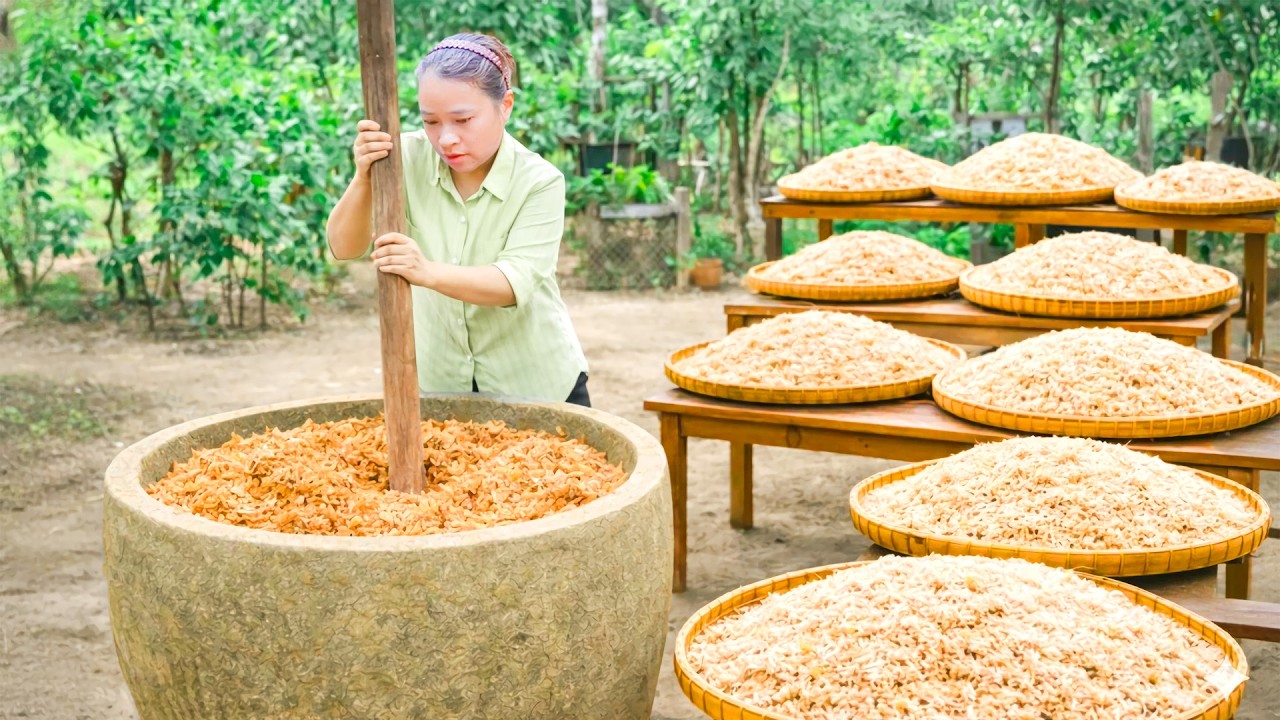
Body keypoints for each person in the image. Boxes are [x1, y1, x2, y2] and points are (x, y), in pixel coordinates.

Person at [326, 33, 591, 407]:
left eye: (463, 119)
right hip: (441, 390)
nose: (446, 138)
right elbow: (343, 247)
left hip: (537, 387)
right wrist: (364, 176)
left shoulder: (540, 181)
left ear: (506, 105)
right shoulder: (402, 157)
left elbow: (512, 283)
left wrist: (425, 271)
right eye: (430, 121)